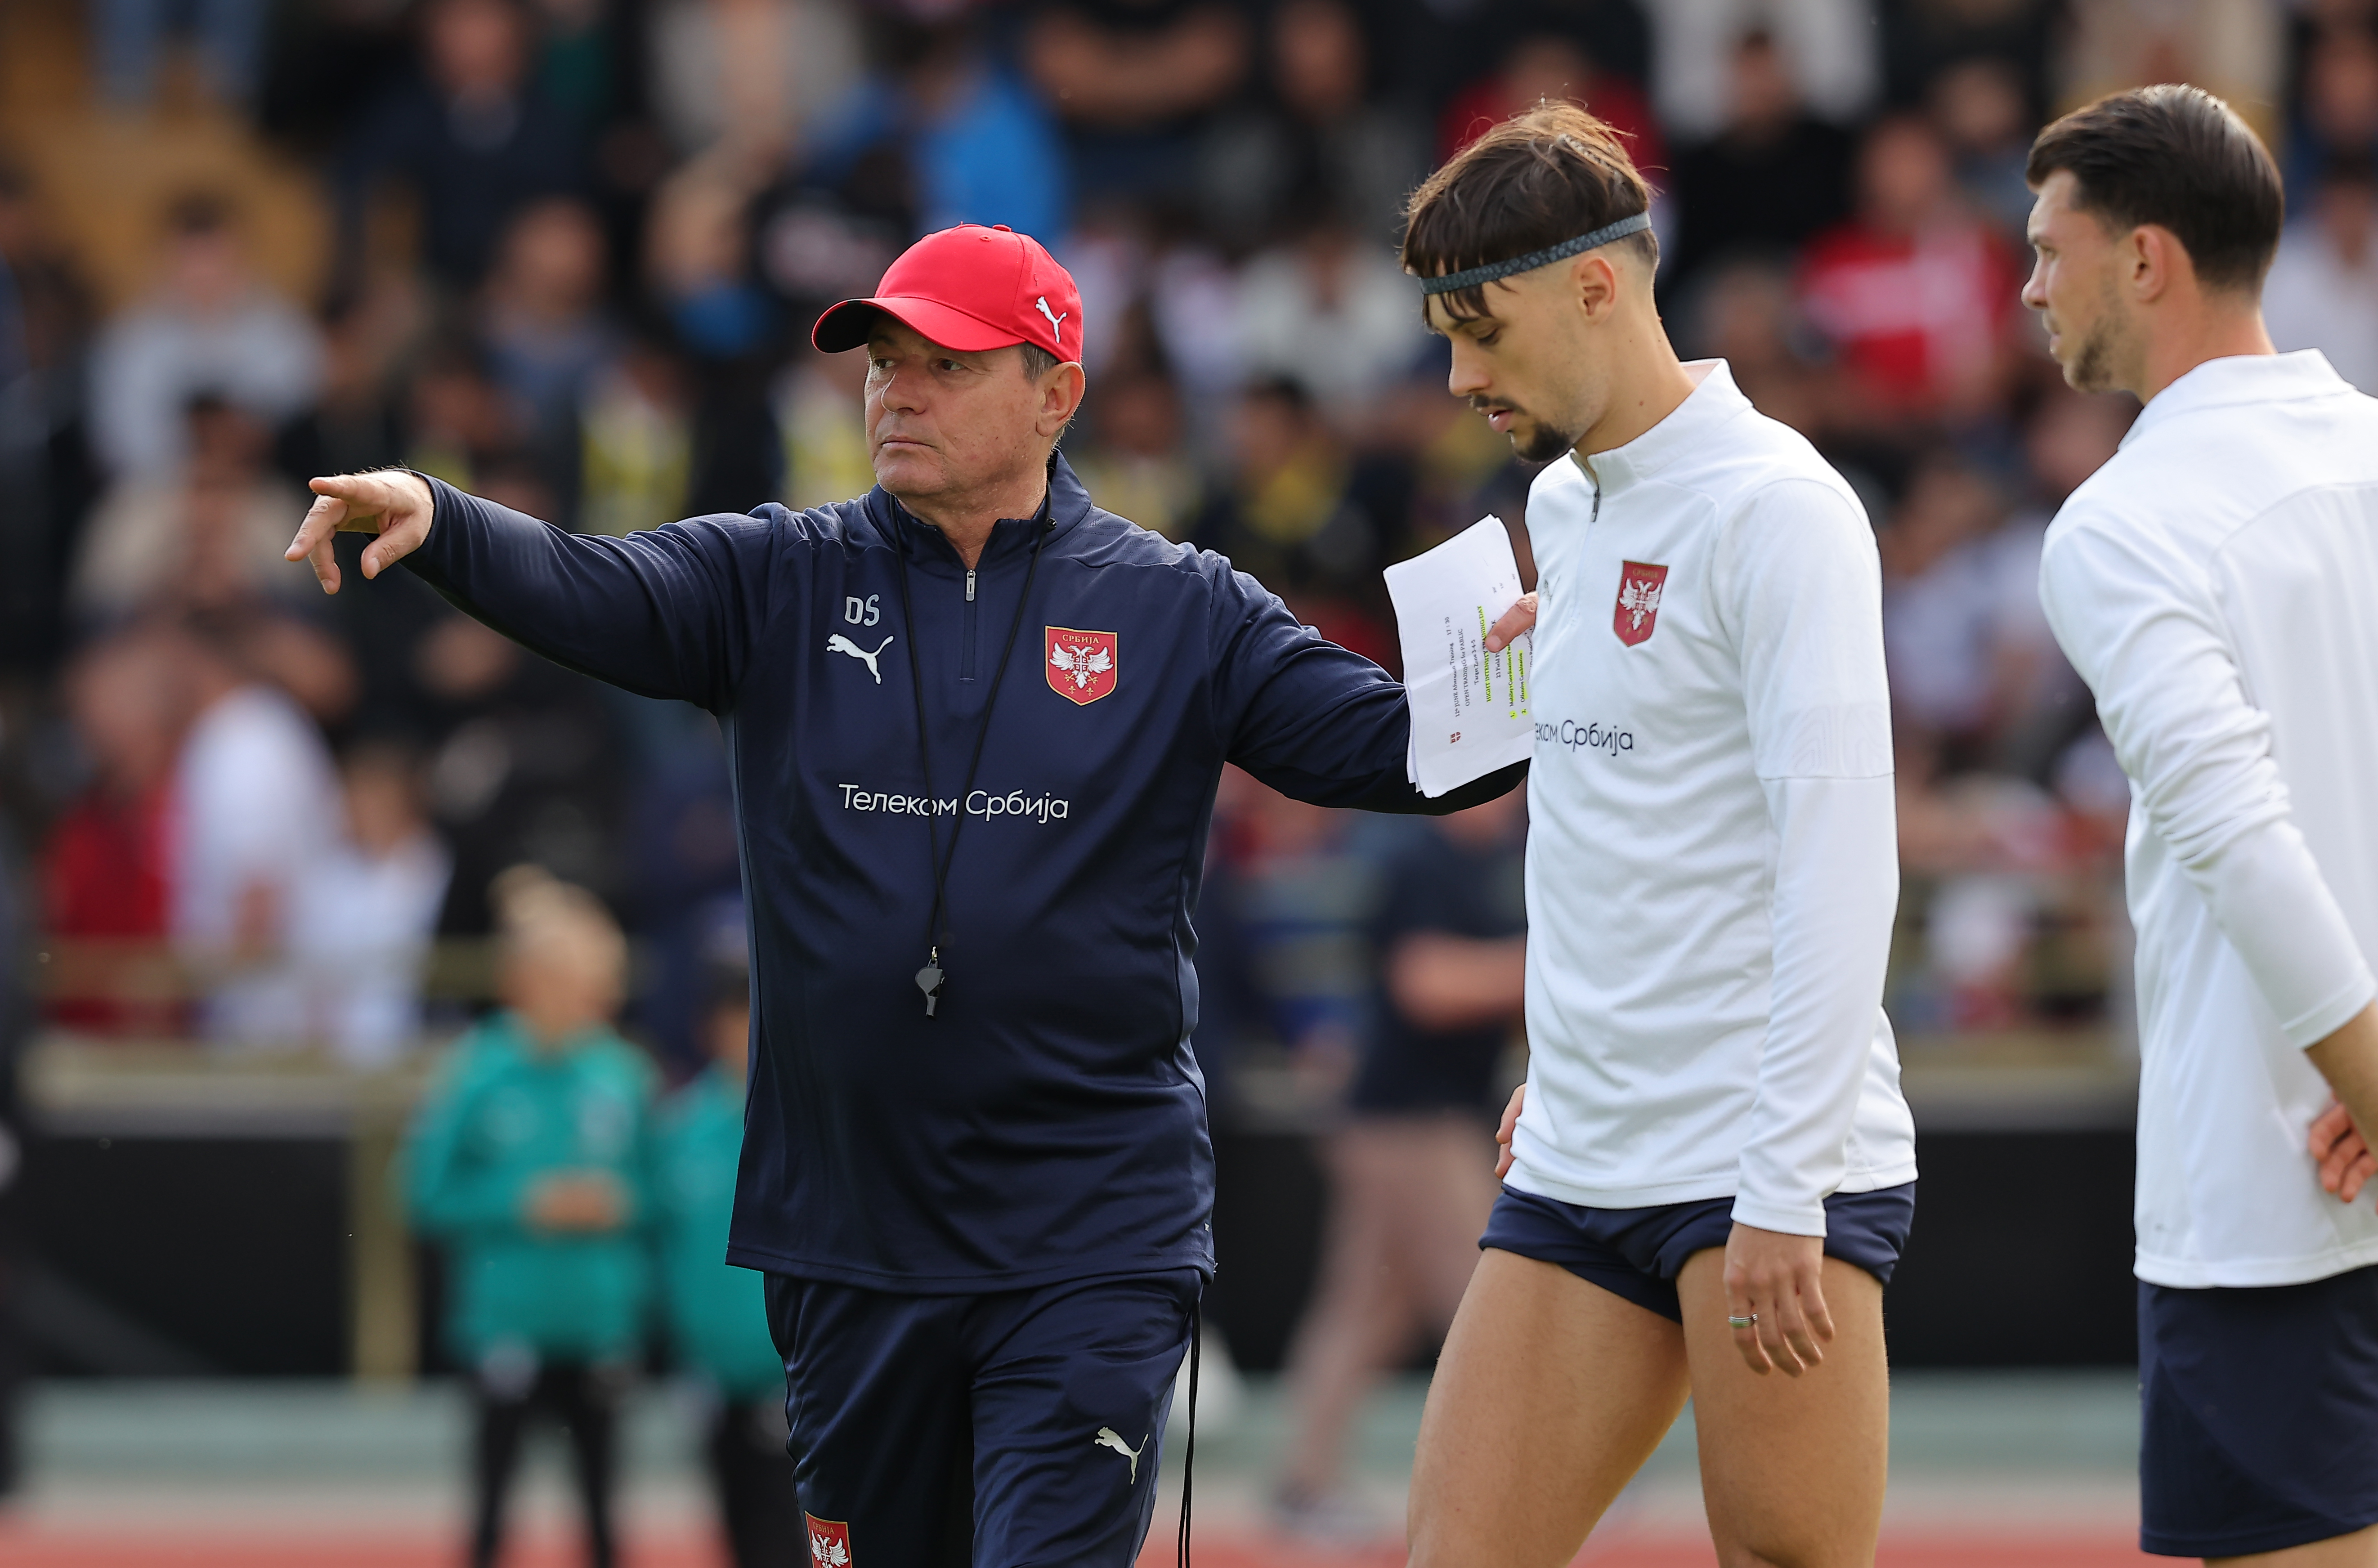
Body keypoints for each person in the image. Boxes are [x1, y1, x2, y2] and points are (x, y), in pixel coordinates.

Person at [285, 220, 1523, 1565]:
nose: (897, 394)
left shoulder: (1183, 608)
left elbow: (1404, 750)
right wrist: (442, 514)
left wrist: (1542, 668)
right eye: (882, 365)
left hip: (1090, 1234)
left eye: (942, 364)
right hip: (850, 1240)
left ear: (1057, 390)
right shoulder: (777, 576)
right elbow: (594, 584)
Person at [1400, 104, 1918, 1567]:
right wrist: (1560, 1066)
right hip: (1576, 1155)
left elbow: (1840, 870)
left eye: (1479, 329)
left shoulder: (1781, 510)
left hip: (1760, 1166)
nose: (1455, 375)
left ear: (1596, 284)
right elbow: (1619, 806)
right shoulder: (1560, 504)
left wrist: (1779, 1186)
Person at [2022, 85, 2378, 1564]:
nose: (2029, 285)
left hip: (2269, 1193)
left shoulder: (2117, 522)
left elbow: (2244, 846)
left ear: (2145, 260)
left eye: (2048, 249)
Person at [1274, 789, 1526, 1538]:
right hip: (1408, 1122)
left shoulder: (1488, 860)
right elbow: (1428, 984)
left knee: (1366, 1311)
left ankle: (1304, 1482)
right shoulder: (1418, 854)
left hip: (1423, 1115)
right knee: (1493, 1300)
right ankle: (1518, 1483)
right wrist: (1551, 960)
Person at [402, 867, 654, 1568]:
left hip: (599, 1322)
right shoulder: (475, 1071)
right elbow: (422, 1193)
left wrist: (615, 1202)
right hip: (503, 1320)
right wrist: (521, 1202)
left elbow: (662, 1193)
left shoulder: (621, 1073)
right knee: (489, 1511)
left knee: (605, 1516)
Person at [652, 953, 799, 1568]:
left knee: (800, 1534)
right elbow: (659, 1241)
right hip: (711, 1373)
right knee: (737, 1529)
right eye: (732, 1017)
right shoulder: (677, 1126)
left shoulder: (806, 1120)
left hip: (793, 1375)